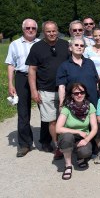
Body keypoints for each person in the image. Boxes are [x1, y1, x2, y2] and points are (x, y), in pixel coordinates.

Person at [26, 21, 70, 159]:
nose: (51, 33)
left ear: (57, 31)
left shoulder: (65, 45)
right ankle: (57, 146)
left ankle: (68, 143)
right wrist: (34, 91)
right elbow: (32, 70)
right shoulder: (37, 47)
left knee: (65, 118)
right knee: (51, 120)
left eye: (54, 31)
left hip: (64, 89)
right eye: (48, 31)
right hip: (46, 90)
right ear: (43, 32)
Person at [5, 19, 40, 157]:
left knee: (45, 109)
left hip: (39, 78)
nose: (30, 30)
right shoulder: (15, 44)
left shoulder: (41, 43)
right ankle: (25, 144)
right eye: (28, 28)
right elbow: (10, 64)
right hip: (22, 77)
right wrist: (10, 83)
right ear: (23, 29)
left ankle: (47, 140)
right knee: (23, 112)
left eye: (33, 28)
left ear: (36, 30)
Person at [56, 83, 98, 180]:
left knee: (85, 152)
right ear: (71, 95)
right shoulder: (67, 108)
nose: (79, 95)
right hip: (69, 135)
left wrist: (87, 140)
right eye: (76, 93)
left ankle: (80, 158)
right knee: (67, 137)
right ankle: (68, 165)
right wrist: (77, 132)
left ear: (85, 93)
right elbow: (58, 128)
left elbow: (94, 127)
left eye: (82, 92)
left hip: (83, 137)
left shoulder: (90, 106)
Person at [57, 37, 99, 107]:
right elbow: (62, 87)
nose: (79, 47)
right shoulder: (64, 66)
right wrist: (61, 104)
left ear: (84, 49)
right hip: (74, 105)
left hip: (93, 103)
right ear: (70, 48)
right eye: (76, 45)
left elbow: (96, 83)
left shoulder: (90, 63)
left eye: (82, 46)